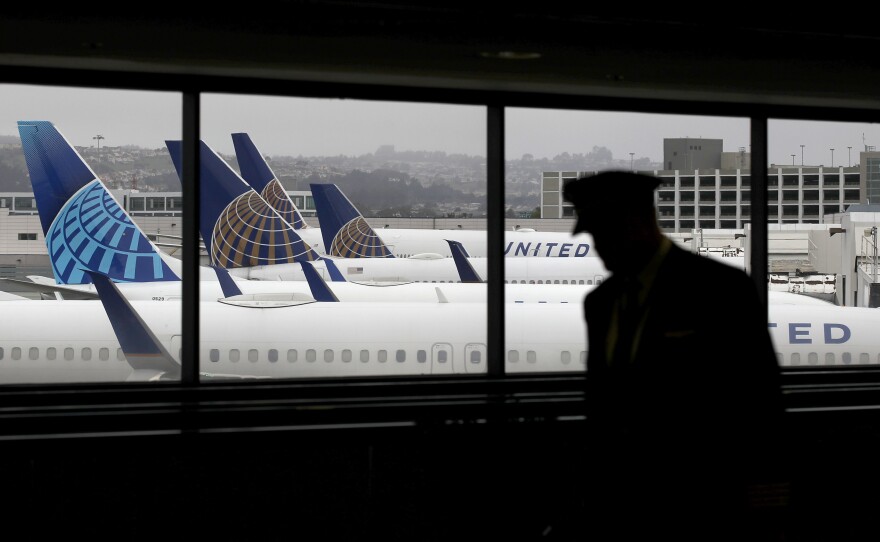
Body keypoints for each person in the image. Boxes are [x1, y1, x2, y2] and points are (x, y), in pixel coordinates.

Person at [562, 170, 784, 541]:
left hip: (702, 503)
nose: (597, 246)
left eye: (605, 232)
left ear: (639, 222)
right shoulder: (600, 303)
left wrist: (765, 508)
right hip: (623, 506)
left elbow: (761, 401)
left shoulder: (720, 290)